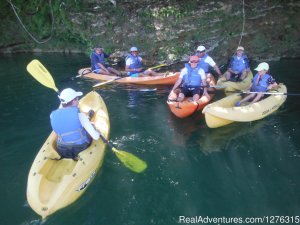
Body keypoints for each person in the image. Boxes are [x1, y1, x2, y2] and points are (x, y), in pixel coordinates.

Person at [50, 88, 100, 160]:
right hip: (80, 148)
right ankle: (89, 121)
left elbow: (61, 108)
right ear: (73, 101)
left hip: (62, 149)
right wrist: (97, 131)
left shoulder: (52, 115)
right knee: (92, 127)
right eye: (77, 99)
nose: (78, 101)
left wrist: (63, 100)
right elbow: (96, 137)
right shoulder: (80, 116)